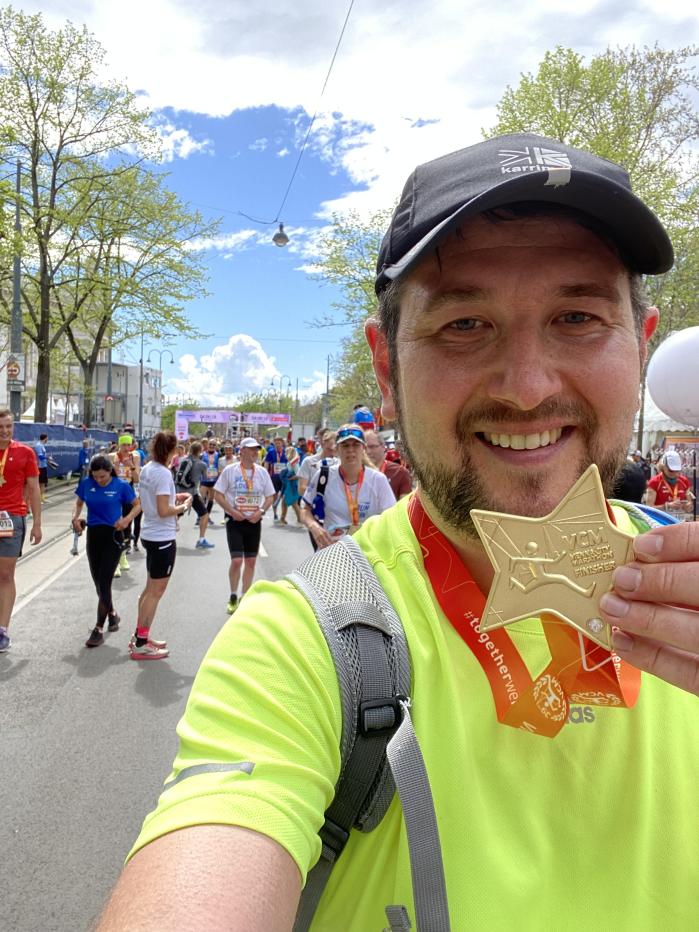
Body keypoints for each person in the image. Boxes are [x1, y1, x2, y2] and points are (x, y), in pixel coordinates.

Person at [98, 134, 699, 930]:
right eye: (463, 326)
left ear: (640, 342)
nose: (526, 387)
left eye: (577, 317)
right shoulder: (300, 645)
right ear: (385, 370)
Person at [131, 431, 192, 660]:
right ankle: (140, 642)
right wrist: (184, 506)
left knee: (149, 589)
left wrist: (175, 498)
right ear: (170, 450)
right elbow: (164, 510)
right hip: (162, 537)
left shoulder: (147, 468)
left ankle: (141, 635)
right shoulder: (164, 474)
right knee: (156, 592)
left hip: (150, 532)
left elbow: (157, 501)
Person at [72, 455, 140, 648]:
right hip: (94, 536)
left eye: (102, 476)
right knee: (98, 584)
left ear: (110, 471)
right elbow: (78, 503)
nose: (99, 480)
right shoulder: (87, 484)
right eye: (96, 476)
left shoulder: (121, 486)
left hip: (113, 536)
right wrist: (75, 518)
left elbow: (137, 505)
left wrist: (126, 521)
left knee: (104, 581)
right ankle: (112, 614)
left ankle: (98, 629)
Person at [301, 425, 396, 547]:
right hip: (332, 552)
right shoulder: (324, 476)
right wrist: (313, 526)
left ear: (364, 449)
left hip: (368, 553)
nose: (350, 450)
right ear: (337, 450)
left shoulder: (378, 480)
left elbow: (391, 519)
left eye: (356, 445)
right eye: (345, 445)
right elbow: (305, 509)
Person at [213, 437, 274, 614]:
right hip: (235, 521)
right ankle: (233, 595)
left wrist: (261, 511)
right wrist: (232, 512)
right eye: (252, 449)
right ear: (242, 451)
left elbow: (270, 496)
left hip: (254, 521)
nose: (255, 452)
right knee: (237, 560)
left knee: (251, 561)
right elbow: (218, 495)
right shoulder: (230, 471)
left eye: (257, 449)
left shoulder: (262, 472)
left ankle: (245, 596)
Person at [0, 408, 41, 653]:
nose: (5, 431)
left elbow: (34, 489)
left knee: (5, 575)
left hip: (11, 518)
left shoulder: (25, 453)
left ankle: (2, 629)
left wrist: (37, 523)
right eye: (0, 427)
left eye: (9, 426)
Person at [174, 441, 215, 550]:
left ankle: (166, 535)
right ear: (200, 451)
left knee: (176, 514)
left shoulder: (184, 460)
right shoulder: (201, 464)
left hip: (180, 492)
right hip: (192, 493)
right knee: (204, 515)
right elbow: (208, 477)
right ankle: (201, 540)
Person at [109, 435, 140, 570]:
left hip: (128, 492)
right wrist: (116, 465)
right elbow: (110, 478)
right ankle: (115, 557)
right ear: (119, 446)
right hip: (115, 493)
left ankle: (123, 555)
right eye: (124, 445)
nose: (127, 448)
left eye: (129, 445)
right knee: (114, 522)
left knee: (127, 523)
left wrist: (131, 466)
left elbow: (137, 479)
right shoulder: (112, 456)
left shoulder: (135, 457)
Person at [364, 429, 413, 499]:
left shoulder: (400, 472)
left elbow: (405, 506)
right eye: (364, 448)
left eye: (372, 447)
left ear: (383, 447)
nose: (368, 452)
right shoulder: (355, 473)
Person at [644, 449, 695, 516]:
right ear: (663, 466)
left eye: (677, 470)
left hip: (679, 522)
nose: (675, 474)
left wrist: (688, 506)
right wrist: (667, 506)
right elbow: (648, 509)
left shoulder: (684, 481)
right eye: (671, 470)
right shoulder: (654, 482)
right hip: (661, 522)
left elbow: (690, 507)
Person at [264, 436, 287, 520]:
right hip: (274, 476)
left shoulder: (286, 452)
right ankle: (275, 513)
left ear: (282, 443)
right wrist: (266, 474)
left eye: (279, 443)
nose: (277, 445)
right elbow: (267, 463)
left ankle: (283, 515)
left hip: (284, 477)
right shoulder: (271, 452)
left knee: (284, 496)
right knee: (275, 495)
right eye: (276, 443)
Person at [279, 445, 302, 525]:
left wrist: (290, 478)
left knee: (293, 503)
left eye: (286, 452)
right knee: (288, 502)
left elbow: (299, 475)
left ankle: (299, 519)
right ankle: (283, 518)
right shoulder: (290, 462)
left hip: (292, 485)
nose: (285, 454)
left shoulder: (294, 463)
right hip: (290, 485)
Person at [34, 432, 57, 503]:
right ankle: (37, 499)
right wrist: (48, 458)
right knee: (39, 483)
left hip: (43, 466)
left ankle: (42, 498)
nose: (48, 440)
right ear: (45, 438)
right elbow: (40, 457)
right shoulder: (38, 445)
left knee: (43, 483)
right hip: (39, 467)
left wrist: (48, 461)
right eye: (47, 438)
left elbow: (43, 456)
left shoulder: (42, 445)